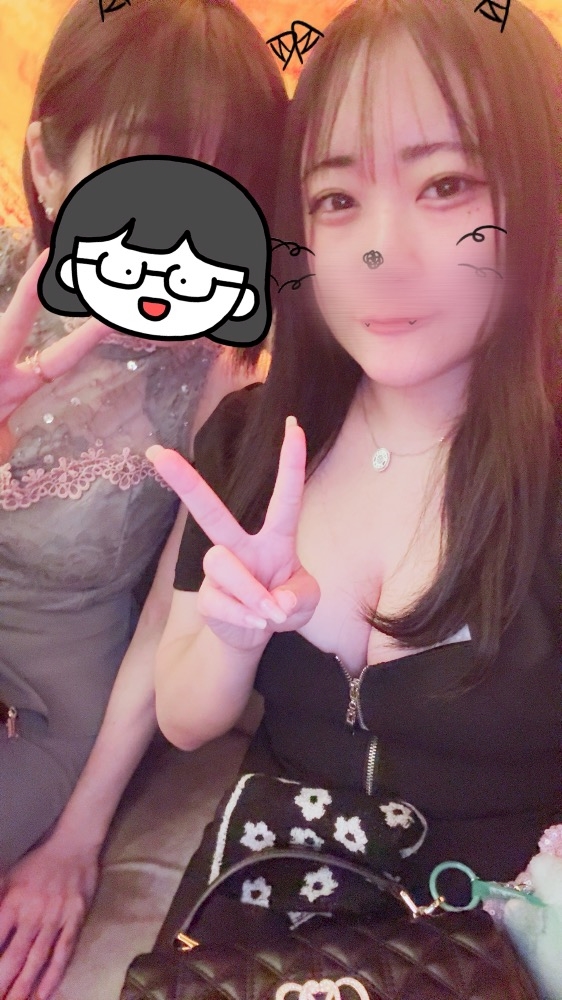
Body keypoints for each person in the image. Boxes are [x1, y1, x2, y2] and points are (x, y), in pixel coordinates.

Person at [148, 0, 561, 954]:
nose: (380, 255)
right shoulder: (254, 441)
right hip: (259, 917)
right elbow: (183, 718)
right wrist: (234, 632)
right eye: (337, 200)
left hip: (491, 937)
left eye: (446, 185)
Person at [0, 0, 287, 995]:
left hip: (48, 710)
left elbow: (172, 611)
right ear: (48, 164)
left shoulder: (224, 375)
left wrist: (78, 840)